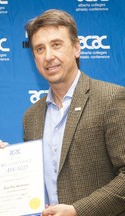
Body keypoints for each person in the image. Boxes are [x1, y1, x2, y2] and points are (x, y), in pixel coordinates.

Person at [23, 9, 125, 216]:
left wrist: (78, 210)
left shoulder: (111, 98)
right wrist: (4, 159)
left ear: (77, 48)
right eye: (40, 49)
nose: (48, 56)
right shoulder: (31, 117)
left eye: (56, 45)